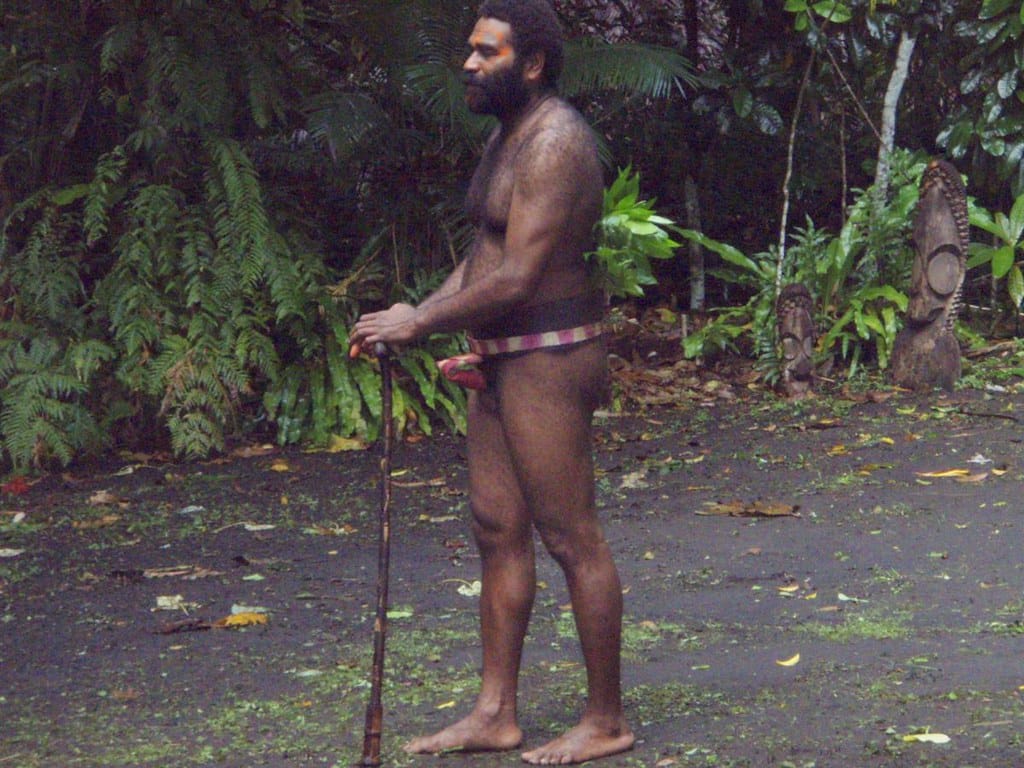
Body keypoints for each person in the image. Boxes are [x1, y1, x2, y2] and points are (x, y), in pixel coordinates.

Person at [348, 1, 634, 763]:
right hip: (501, 356)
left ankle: (606, 719)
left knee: (569, 536)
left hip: (549, 358)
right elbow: (484, 258)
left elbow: (518, 278)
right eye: (470, 50)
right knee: (496, 528)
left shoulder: (556, 142)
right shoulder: (508, 135)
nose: (469, 65)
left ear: (532, 64)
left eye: (487, 52)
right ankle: (495, 713)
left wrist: (420, 324)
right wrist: (413, 312)